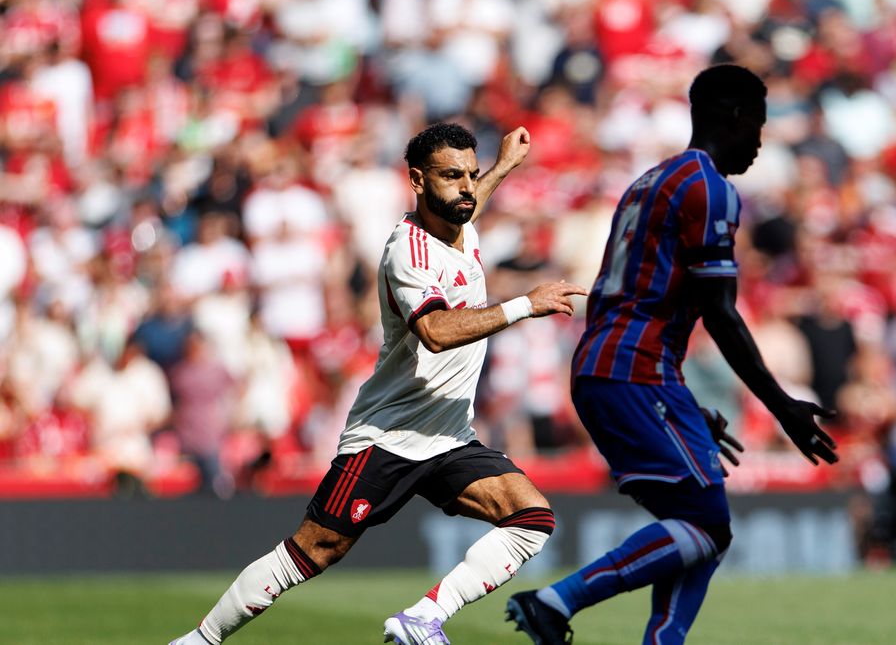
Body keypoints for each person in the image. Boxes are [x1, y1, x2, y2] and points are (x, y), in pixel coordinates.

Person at [170, 123, 587, 645]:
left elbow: (468, 200)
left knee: (531, 518)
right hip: (387, 438)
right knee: (313, 551)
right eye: (451, 176)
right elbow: (435, 332)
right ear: (417, 180)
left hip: (449, 436)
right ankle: (200, 640)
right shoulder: (407, 252)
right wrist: (526, 304)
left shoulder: (463, 221)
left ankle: (423, 618)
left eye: (470, 176)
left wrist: (503, 167)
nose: (465, 188)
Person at [506, 64, 840, 645]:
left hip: (613, 367)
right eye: (756, 127)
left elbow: (635, 290)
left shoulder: (649, 181)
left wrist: (682, 403)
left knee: (704, 527)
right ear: (732, 117)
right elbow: (720, 311)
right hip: (633, 371)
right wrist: (782, 403)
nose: (760, 143)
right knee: (706, 525)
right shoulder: (709, 188)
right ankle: (555, 602)